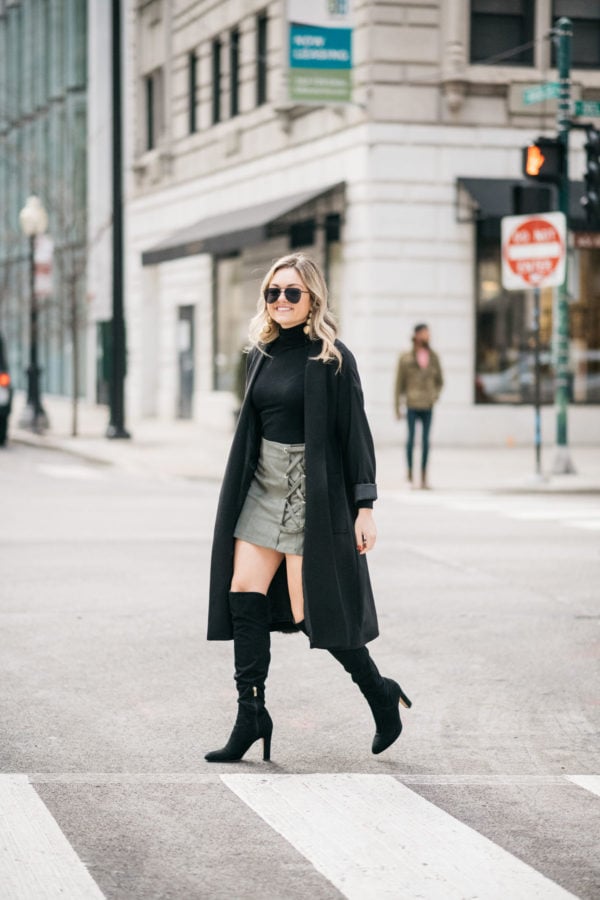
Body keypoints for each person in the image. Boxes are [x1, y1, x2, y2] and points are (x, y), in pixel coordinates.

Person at [205, 253, 411, 763]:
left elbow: (355, 436)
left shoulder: (333, 358)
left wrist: (365, 506)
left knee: (313, 611)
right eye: (273, 292)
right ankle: (251, 714)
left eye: (291, 292)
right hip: (262, 489)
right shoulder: (260, 353)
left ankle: (380, 692)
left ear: (312, 297)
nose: (280, 301)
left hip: (309, 494)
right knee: (244, 597)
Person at [394, 323, 443, 489]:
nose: (427, 336)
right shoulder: (406, 357)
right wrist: (397, 408)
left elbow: (440, 381)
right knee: (410, 440)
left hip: (427, 405)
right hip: (412, 404)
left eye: (428, 334)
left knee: (426, 442)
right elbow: (398, 385)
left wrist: (434, 396)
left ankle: (423, 476)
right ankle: (409, 474)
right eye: (424, 333)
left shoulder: (433, 356)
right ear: (416, 335)